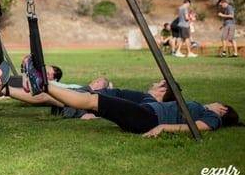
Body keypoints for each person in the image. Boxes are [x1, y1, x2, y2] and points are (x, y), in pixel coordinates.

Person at [21, 63, 241, 136]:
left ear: (223, 109)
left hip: (147, 118)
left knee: (91, 100)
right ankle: (44, 86)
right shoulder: (203, 109)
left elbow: (199, 127)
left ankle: (45, 85)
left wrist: (163, 127)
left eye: (218, 104)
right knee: (92, 99)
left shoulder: (213, 117)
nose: (215, 103)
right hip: (145, 114)